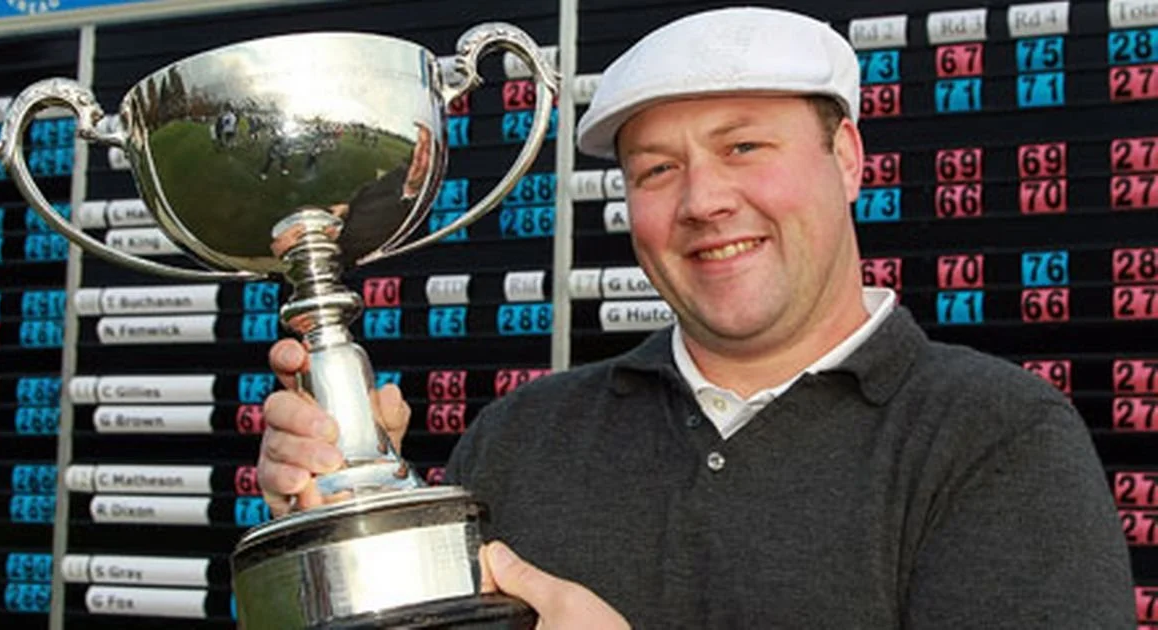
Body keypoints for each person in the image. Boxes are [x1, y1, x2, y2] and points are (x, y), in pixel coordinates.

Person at [257, 7, 1135, 628]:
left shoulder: (995, 437)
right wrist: (340, 531)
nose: (706, 201)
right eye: (656, 171)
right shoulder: (519, 437)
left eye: (744, 145)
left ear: (847, 157)